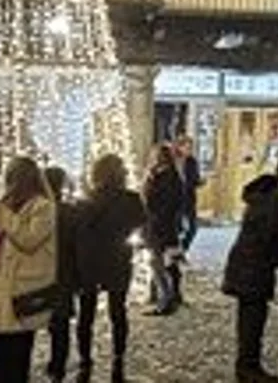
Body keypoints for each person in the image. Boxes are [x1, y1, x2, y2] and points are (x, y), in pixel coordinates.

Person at [0, 155, 61, 383]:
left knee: (13, 364)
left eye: (11, 179)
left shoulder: (43, 208)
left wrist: (5, 217)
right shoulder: (6, 206)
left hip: (20, 294)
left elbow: (28, 240)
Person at [74, 153, 148, 383]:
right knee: (118, 311)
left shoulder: (86, 200)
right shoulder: (131, 199)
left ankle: (85, 358)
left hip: (90, 262)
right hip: (118, 258)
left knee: (86, 314)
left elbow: (78, 232)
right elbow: (140, 223)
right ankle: (118, 355)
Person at [223, 173, 278, 383]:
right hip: (253, 269)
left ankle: (247, 365)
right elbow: (271, 240)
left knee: (249, 319)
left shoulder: (257, 202)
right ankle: (248, 368)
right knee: (252, 322)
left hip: (245, 267)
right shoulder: (268, 207)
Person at [41, 166, 81, 383]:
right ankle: (58, 366)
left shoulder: (37, 210)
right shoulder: (71, 212)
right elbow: (78, 246)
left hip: (40, 273)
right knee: (61, 324)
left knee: (31, 318)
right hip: (64, 274)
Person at [142, 144, 187, 315]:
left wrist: (154, 222)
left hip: (160, 226)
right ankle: (168, 296)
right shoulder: (164, 175)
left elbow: (164, 204)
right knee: (166, 261)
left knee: (160, 263)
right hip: (162, 225)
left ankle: (167, 299)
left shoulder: (167, 177)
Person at [175, 135, 204, 252]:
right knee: (177, 228)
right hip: (175, 199)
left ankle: (183, 248)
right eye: (186, 147)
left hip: (189, 198)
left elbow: (195, 179)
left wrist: (199, 182)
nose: (188, 150)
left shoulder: (192, 162)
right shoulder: (174, 161)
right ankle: (175, 252)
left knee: (193, 228)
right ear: (180, 147)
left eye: (190, 147)